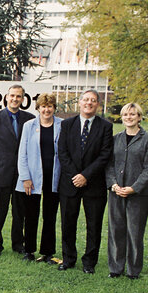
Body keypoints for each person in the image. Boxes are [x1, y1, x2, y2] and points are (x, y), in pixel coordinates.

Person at [57, 89, 113, 273]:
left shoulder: (105, 126)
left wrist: (86, 176)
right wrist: (76, 176)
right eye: (86, 100)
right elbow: (62, 152)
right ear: (79, 103)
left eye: (93, 100)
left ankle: (89, 263)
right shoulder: (67, 125)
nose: (89, 103)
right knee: (68, 223)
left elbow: (105, 155)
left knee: (94, 225)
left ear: (98, 105)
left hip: (94, 184)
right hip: (69, 183)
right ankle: (68, 258)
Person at [0, 84, 35, 257]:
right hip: (0, 173)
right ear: (6, 97)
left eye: (18, 96)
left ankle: (18, 244)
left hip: (22, 174)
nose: (15, 99)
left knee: (20, 212)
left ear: (23, 99)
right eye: (12, 95)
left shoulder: (29, 119)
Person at [105, 103, 148, 279]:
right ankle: (115, 267)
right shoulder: (115, 139)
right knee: (116, 230)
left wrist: (134, 188)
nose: (129, 117)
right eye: (126, 114)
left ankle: (133, 270)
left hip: (138, 195)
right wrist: (113, 184)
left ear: (140, 117)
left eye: (133, 114)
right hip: (116, 192)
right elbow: (109, 164)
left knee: (135, 232)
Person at [15, 93, 62, 264]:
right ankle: (29, 250)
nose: (46, 109)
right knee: (31, 215)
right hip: (32, 179)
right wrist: (25, 177)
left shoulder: (62, 125)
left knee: (50, 216)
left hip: (53, 178)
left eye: (50, 106)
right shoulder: (29, 126)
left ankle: (48, 252)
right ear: (38, 108)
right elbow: (22, 154)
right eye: (43, 106)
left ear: (54, 108)